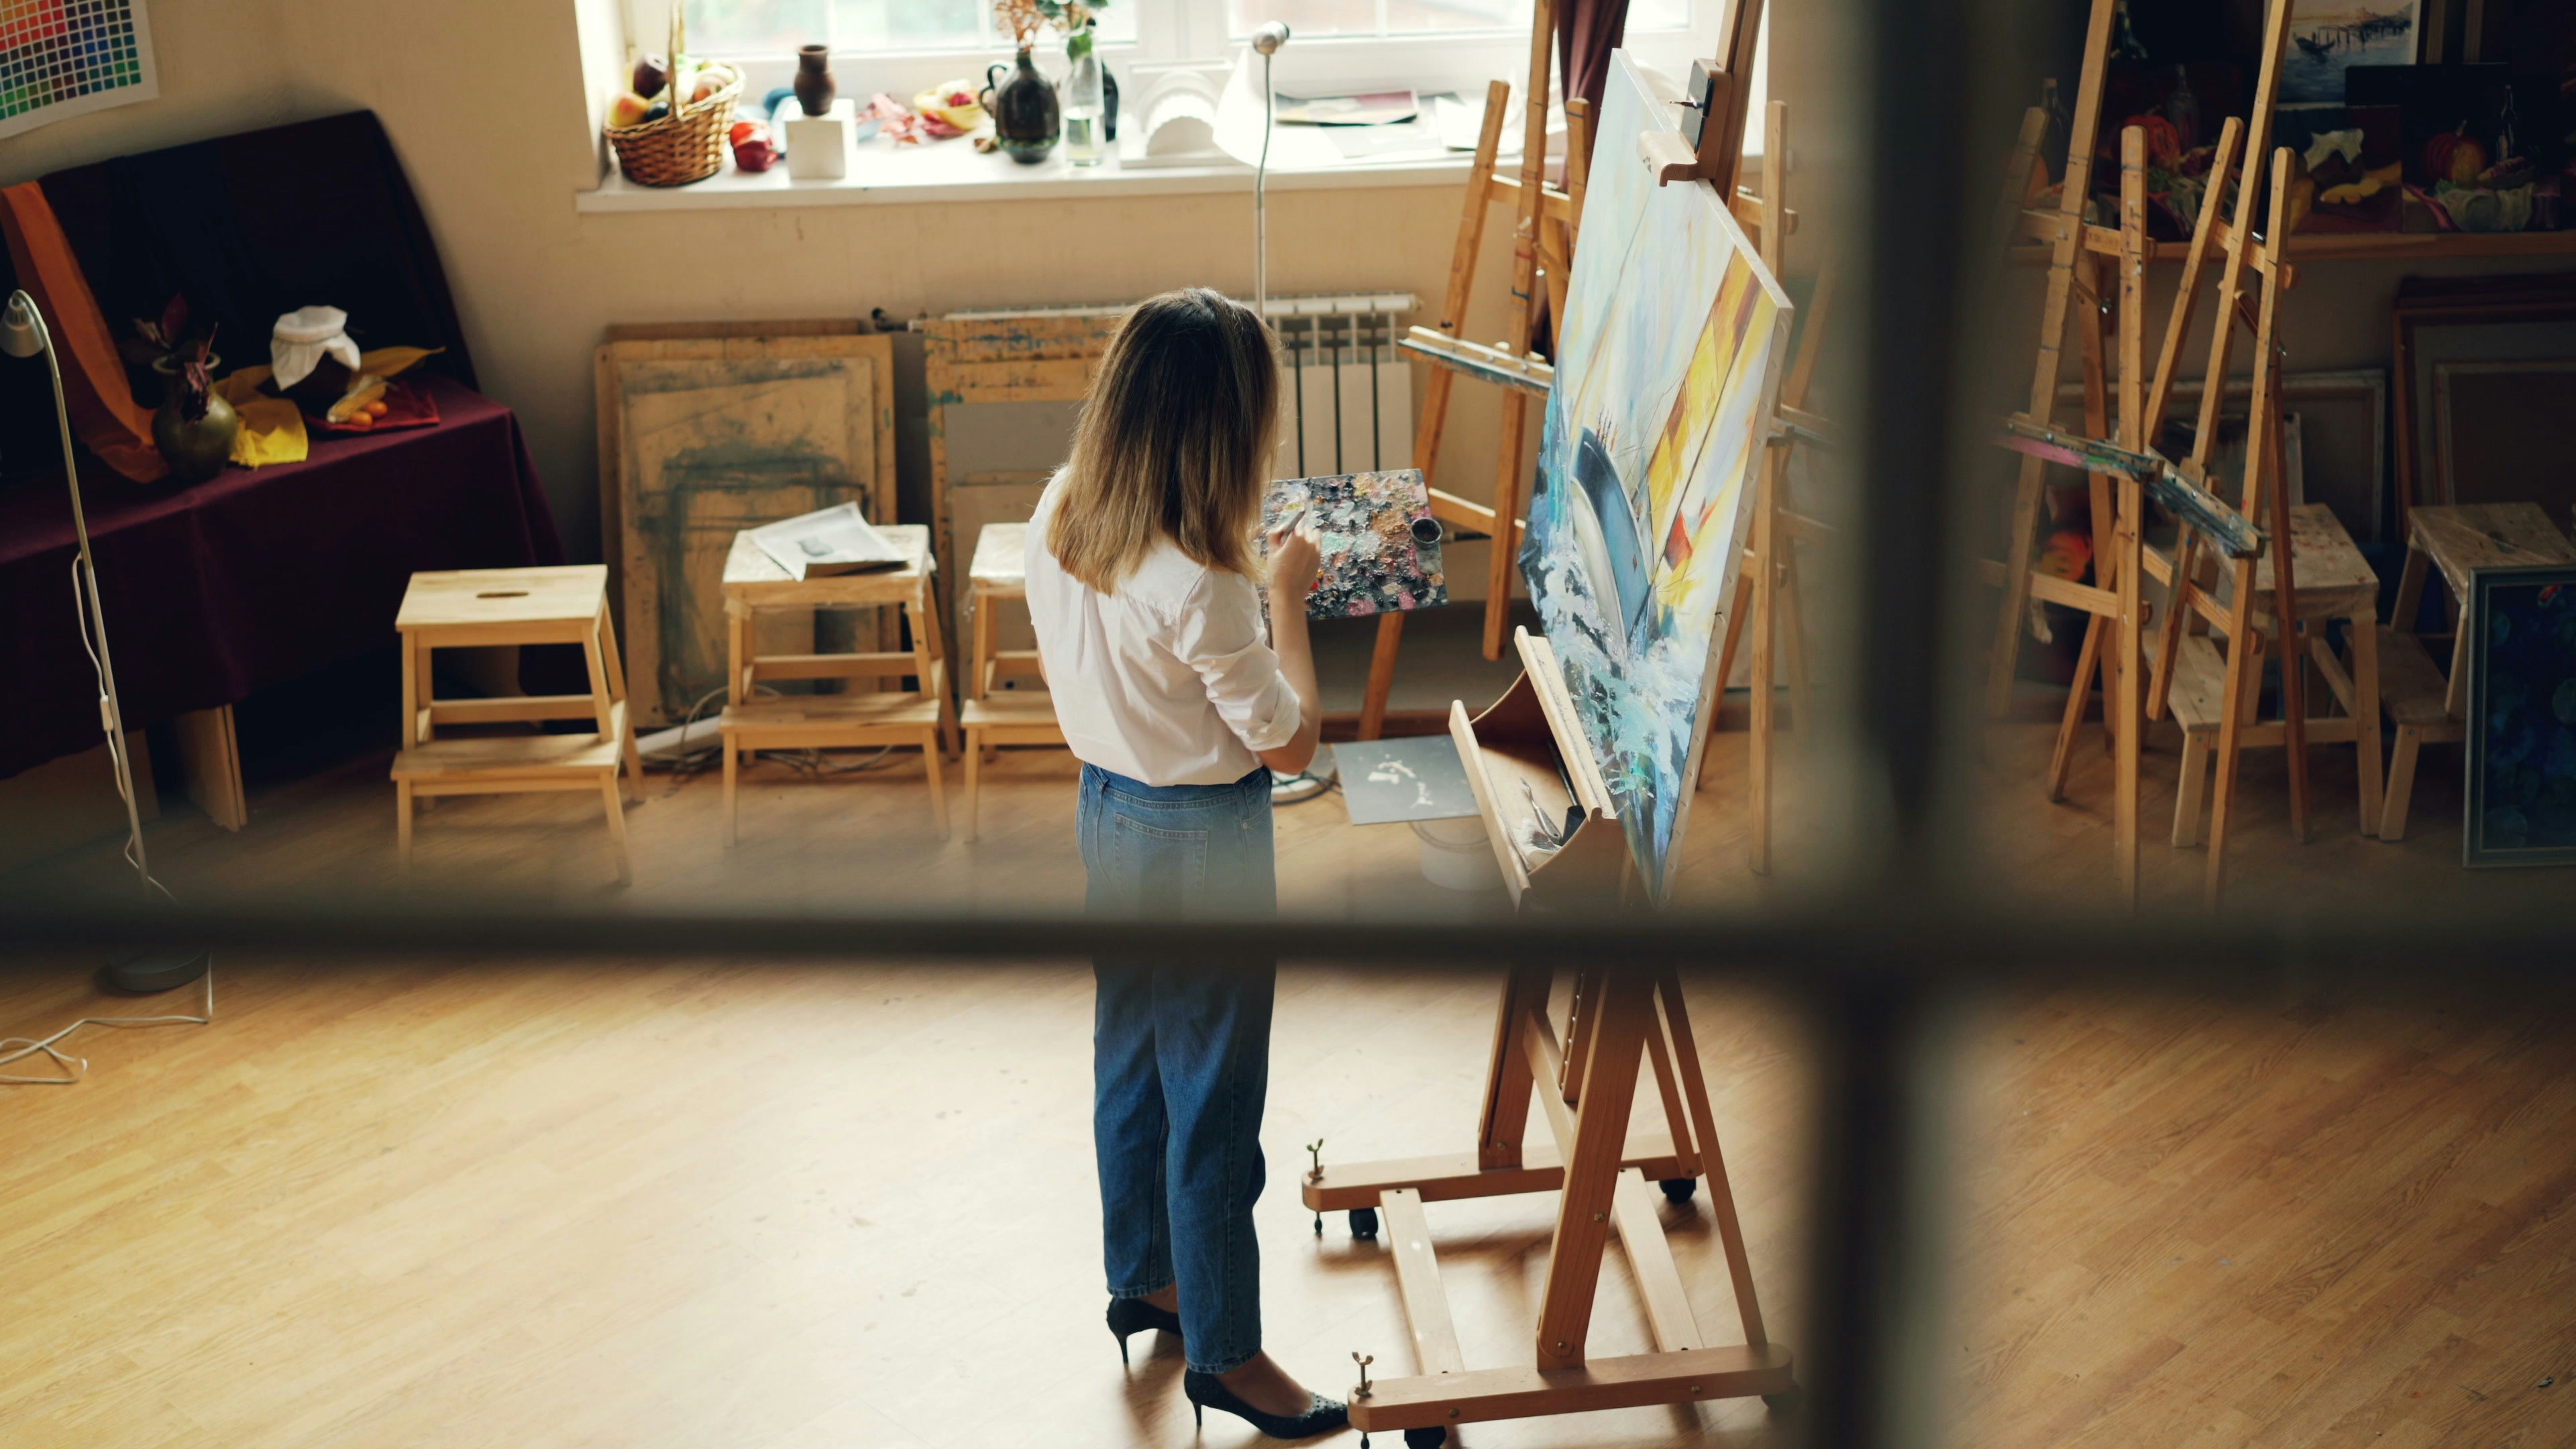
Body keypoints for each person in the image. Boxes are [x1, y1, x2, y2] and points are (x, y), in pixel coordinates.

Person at [1024, 288, 1344, 1440]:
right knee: (1215, 1102)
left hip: (1106, 810)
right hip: (1203, 838)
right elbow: (1293, 741)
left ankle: (1147, 1282)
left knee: (1132, 1056)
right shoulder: (1205, 587)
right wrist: (1286, 602)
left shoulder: (1064, 510)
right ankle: (1229, 1354)